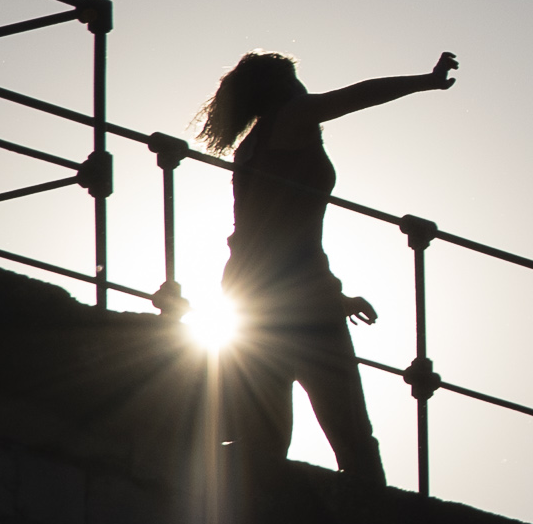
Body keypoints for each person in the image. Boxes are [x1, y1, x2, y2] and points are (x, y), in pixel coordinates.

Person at [194, 48, 456, 489]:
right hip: (298, 292)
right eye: (296, 81)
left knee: (264, 430)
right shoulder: (291, 120)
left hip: (248, 291)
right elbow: (358, 95)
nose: (304, 90)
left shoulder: (251, 146)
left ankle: (252, 521)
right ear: (284, 87)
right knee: (352, 433)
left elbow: (267, 233)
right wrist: (425, 81)